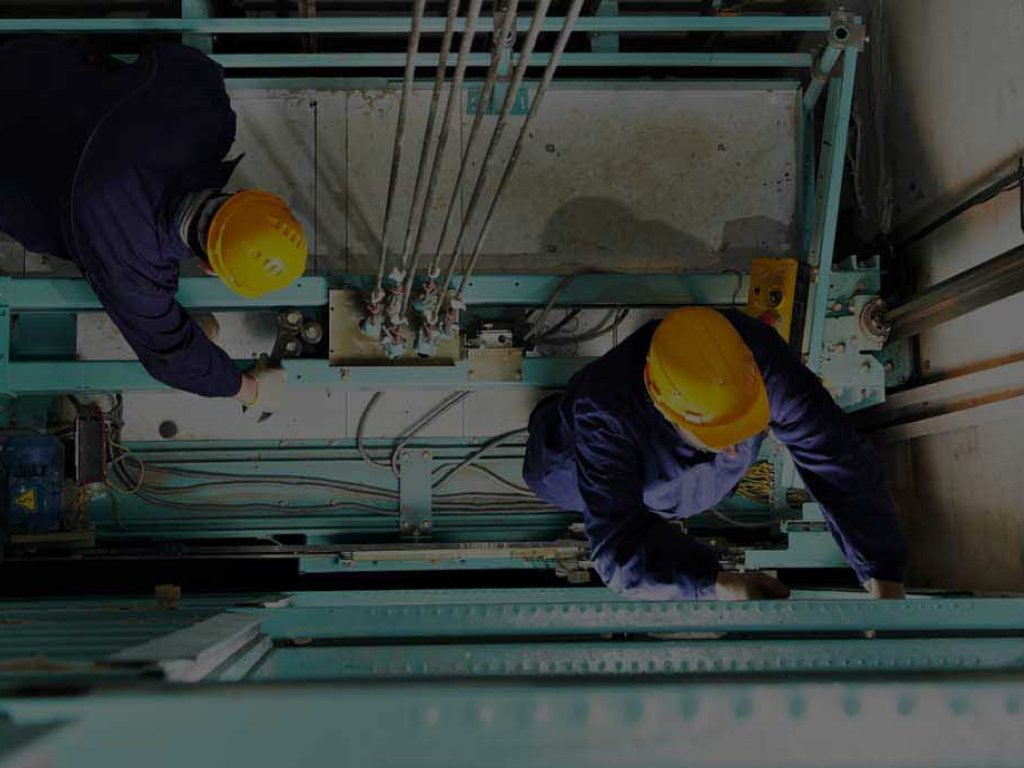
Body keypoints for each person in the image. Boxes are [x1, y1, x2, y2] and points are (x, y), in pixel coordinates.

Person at [0, 36, 306, 411]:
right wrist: (249, 389)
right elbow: (172, 357)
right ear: (210, 268)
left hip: (22, 65)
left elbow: (172, 55)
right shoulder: (135, 269)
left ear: (246, 197)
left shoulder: (207, 115)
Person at [524, 306, 908, 600]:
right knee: (547, 473)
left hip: (688, 480)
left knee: (705, 476)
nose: (737, 446)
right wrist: (715, 583)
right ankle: (551, 416)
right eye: (723, 435)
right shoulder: (604, 411)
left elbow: (838, 458)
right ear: (665, 408)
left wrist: (884, 573)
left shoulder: (757, 360)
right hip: (593, 451)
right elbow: (616, 549)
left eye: (745, 425)